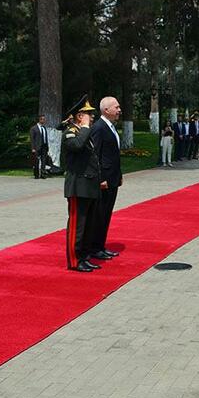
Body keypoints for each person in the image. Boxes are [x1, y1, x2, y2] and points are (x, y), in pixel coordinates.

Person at [62, 95, 101, 273]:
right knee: (77, 226)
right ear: (79, 116)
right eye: (88, 114)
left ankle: (84, 256)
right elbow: (77, 146)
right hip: (78, 187)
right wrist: (84, 127)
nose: (92, 117)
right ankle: (74, 260)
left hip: (89, 185)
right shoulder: (70, 132)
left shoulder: (85, 133)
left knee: (88, 226)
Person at [88, 96, 123, 263]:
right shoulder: (99, 128)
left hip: (113, 178)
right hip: (104, 180)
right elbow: (95, 155)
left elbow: (113, 155)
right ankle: (95, 248)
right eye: (116, 107)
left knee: (106, 214)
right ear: (106, 110)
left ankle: (100, 246)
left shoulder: (111, 127)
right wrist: (100, 178)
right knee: (100, 215)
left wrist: (119, 174)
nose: (119, 110)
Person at [30, 114, 49, 179]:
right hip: (37, 147)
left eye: (44, 119)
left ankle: (43, 174)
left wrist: (47, 146)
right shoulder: (33, 128)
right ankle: (36, 174)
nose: (44, 120)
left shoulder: (44, 128)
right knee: (36, 161)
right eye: (42, 119)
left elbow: (45, 137)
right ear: (39, 120)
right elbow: (32, 139)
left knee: (44, 161)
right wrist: (33, 148)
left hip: (44, 146)